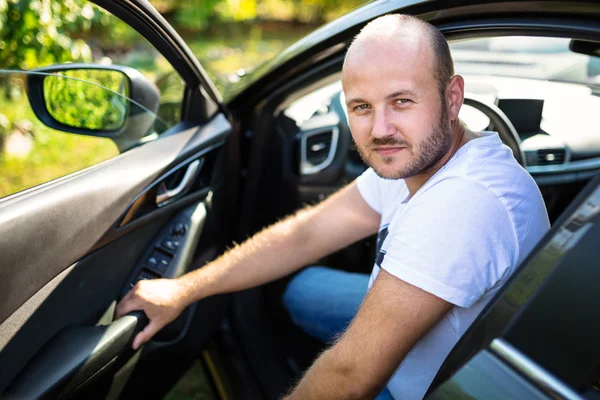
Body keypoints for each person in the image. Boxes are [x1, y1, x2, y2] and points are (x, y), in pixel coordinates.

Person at [116, 14, 550, 399]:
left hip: (430, 386)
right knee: (302, 290)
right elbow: (309, 232)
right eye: (361, 107)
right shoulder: (417, 158)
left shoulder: (463, 200)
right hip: (447, 338)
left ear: (452, 97)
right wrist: (184, 288)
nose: (381, 130)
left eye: (402, 101)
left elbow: (350, 378)